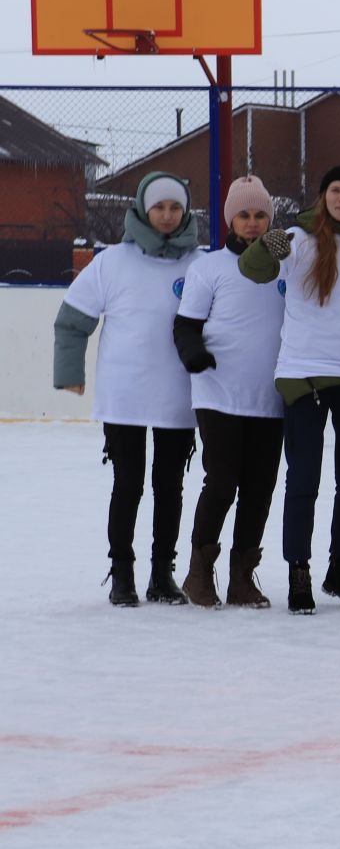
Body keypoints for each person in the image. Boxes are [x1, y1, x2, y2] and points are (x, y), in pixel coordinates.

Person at [241, 163, 340, 613]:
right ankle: (298, 571)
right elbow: (253, 271)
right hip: (302, 375)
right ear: (323, 196)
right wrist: (267, 245)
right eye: (334, 190)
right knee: (303, 479)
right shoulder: (297, 239)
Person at [53, 171, 203, 606]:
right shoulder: (112, 262)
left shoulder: (199, 263)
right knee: (128, 485)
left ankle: (162, 575)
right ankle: (122, 575)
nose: (168, 215)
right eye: (159, 207)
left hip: (179, 396)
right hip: (126, 395)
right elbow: (72, 321)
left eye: (175, 207)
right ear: (141, 209)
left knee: (170, 487)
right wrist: (69, 373)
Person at [173, 175, 286, 608]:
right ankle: (199, 572)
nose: (253, 223)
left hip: (270, 399)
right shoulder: (209, 267)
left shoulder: (285, 267)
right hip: (218, 393)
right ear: (230, 221)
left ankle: (243, 577)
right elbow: (185, 325)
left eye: (261, 215)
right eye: (245, 215)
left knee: (259, 489)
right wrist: (194, 355)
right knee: (222, 484)